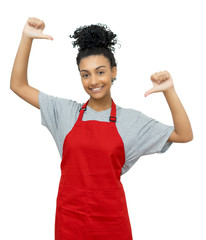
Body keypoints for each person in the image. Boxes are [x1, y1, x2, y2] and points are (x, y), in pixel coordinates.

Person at [10, 17, 193, 240]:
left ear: (114, 72)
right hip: (70, 222)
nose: (93, 81)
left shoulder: (131, 121)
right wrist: (27, 37)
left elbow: (184, 134)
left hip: (111, 225)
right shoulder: (65, 112)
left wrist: (169, 91)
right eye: (85, 74)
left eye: (100, 72)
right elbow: (18, 85)